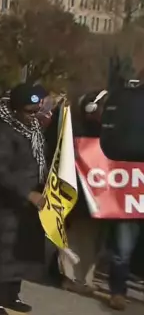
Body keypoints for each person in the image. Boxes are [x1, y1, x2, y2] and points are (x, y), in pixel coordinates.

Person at [0, 83, 49, 315]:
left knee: (21, 248)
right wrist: (27, 193)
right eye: (29, 111)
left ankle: (12, 295)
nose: (33, 115)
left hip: (29, 201)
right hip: (5, 201)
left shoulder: (34, 128)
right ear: (16, 109)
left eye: (36, 111)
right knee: (1, 250)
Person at [57, 90, 110, 296]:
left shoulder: (109, 132)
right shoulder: (75, 130)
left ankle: (85, 278)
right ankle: (71, 278)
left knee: (92, 238)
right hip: (78, 193)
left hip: (100, 195)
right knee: (77, 237)